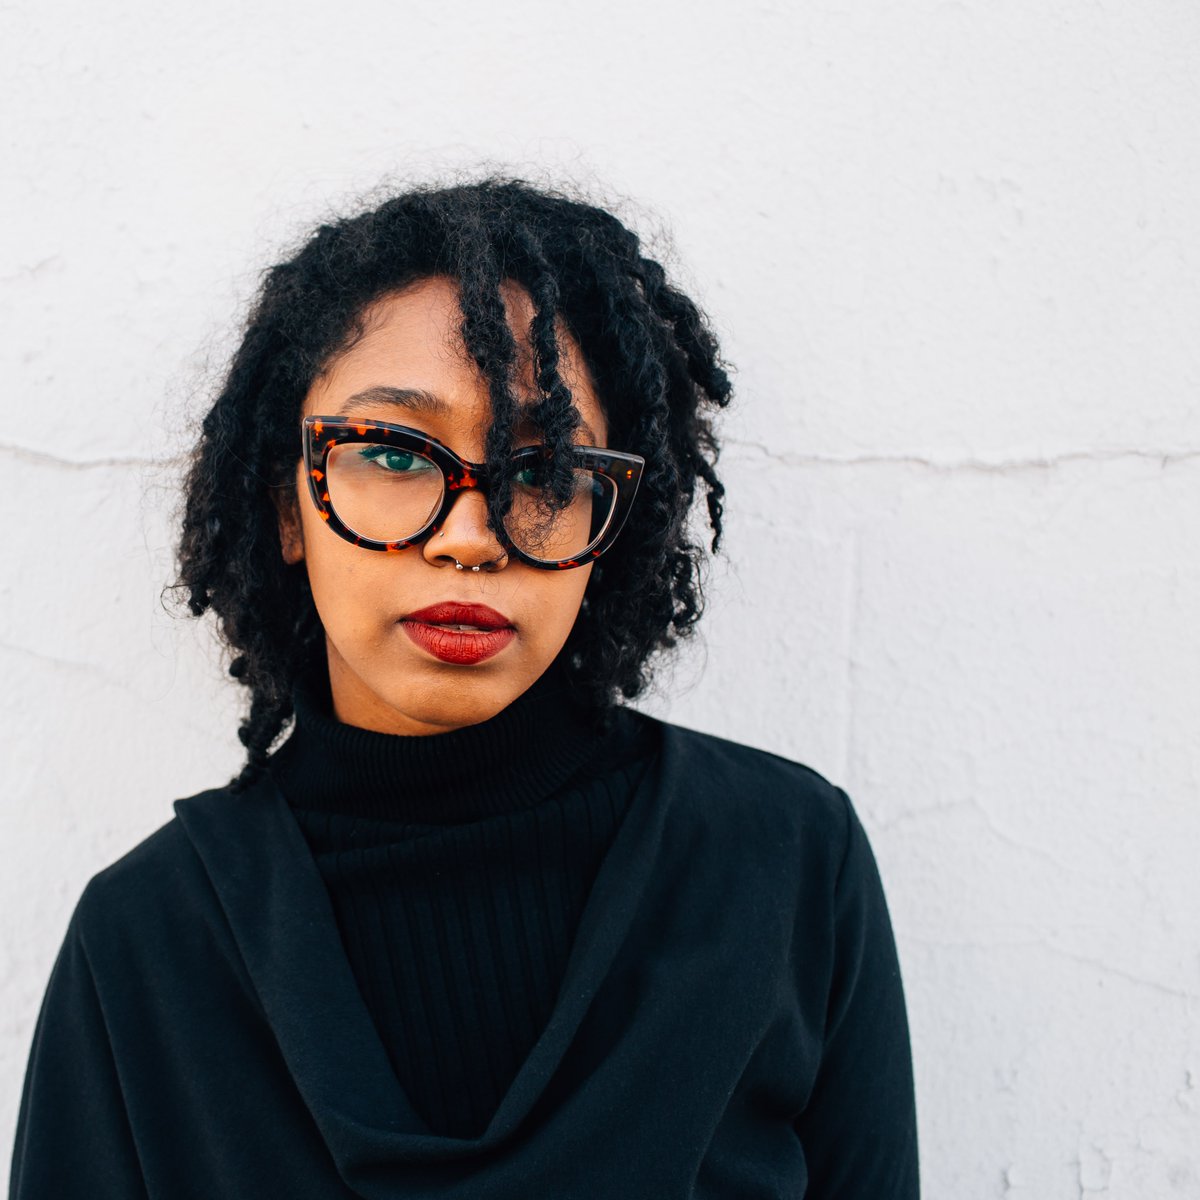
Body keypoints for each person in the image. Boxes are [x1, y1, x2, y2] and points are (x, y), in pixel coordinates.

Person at [8, 178, 919, 1198]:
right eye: (393, 452)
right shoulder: (148, 939)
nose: (471, 537)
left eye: (545, 470)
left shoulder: (787, 863)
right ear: (286, 509)